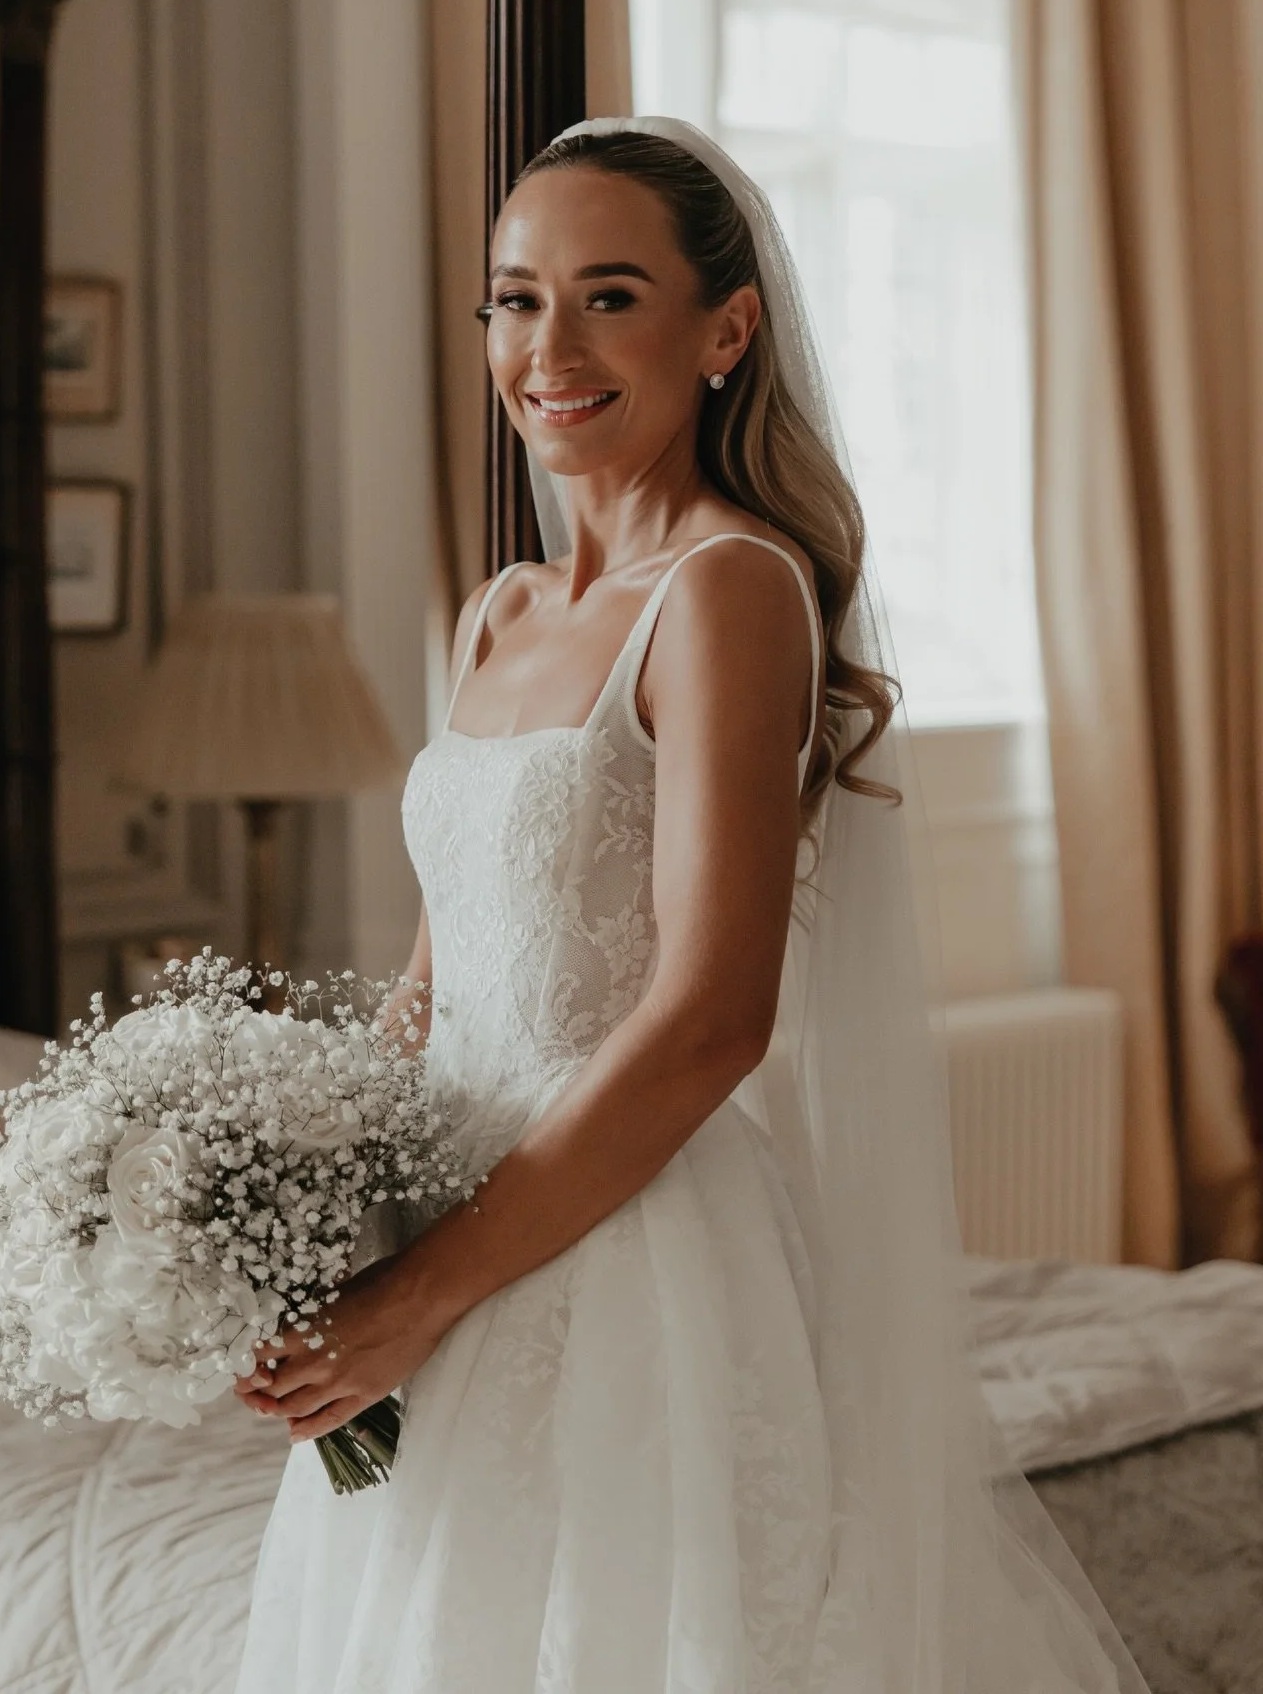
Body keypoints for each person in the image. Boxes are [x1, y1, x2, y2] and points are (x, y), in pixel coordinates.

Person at [232, 118, 1148, 1693]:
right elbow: (434, 989)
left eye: (610, 297)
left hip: (624, 1258)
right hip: (439, 1238)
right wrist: (302, 1204)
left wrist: (418, 1297)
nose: (550, 351)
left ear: (725, 331)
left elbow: (715, 1020)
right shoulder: (497, 613)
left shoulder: (729, 590)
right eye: (517, 301)